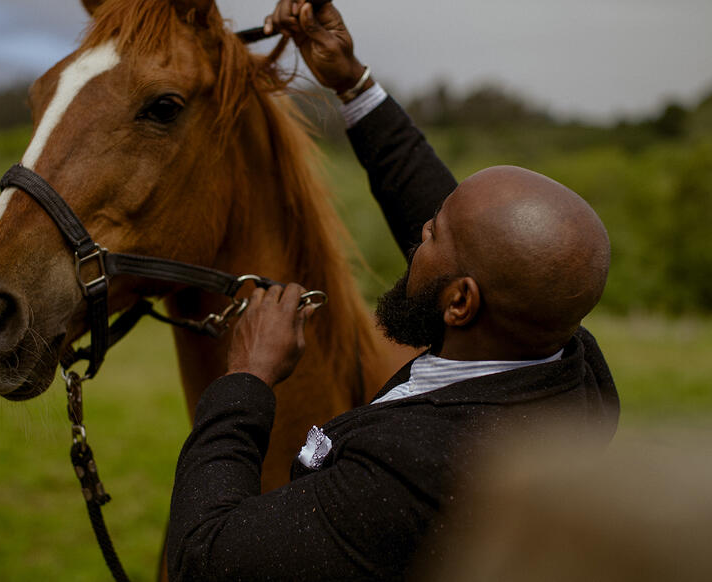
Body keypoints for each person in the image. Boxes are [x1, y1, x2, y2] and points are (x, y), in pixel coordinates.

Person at [166, 2, 619, 580]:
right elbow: (465, 235)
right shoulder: (567, 359)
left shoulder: (411, 469)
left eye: (430, 234)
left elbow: (203, 559)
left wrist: (245, 380)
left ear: (461, 303)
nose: (418, 233)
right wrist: (353, 83)